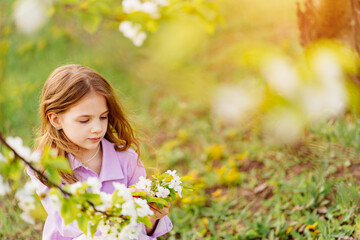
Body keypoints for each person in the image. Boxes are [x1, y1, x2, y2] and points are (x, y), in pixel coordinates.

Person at [26, 64, 173, 240]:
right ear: (56, 119)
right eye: (84, 120)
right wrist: (118, 208)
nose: (97, 128)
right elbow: (69, 224)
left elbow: (141, 230)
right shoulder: (46, 165)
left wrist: (152, 215)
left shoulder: (125, 158)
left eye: (103, 117)